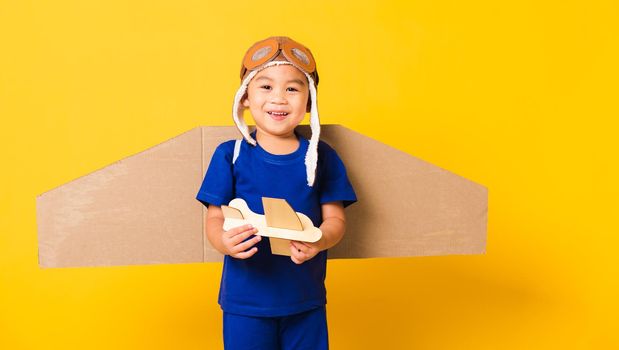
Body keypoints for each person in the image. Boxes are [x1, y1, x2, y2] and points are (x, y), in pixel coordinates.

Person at [195, 36, 357, 350]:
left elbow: (335, 218)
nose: (279, 99)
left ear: (309, 102)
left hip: (305, 301)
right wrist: (223, 241)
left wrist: (320, 240)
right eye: (266, 87)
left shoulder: (321, 157)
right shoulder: (231, 155)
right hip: (245, 303)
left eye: (293, 88)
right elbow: (214, 217)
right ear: (244, 97)